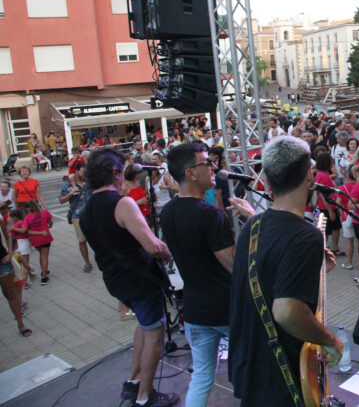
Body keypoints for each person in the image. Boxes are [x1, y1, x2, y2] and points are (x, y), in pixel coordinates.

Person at [228, 136, 342, 406]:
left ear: (267, 180)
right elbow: (286, 311)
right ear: (309, 178)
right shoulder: (305, 236)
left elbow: (266, 283)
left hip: (250, 366)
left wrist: (312, 272)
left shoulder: (252, 228)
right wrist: (331, 340)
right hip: (281, 376)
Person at [77, 149, 177, 407]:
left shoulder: (87, 210)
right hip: (140, 279)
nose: (124, 177)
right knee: (155, 332)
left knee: (144, 326)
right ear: (114, 173)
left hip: (115, 280)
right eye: (122, 171)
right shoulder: (121, 203)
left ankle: (132, 382)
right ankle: (145, 397)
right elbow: (153, 246)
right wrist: (169, 255)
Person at [162, 143, 234, 407]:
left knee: (202, 375)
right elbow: (233, 264)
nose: (213, 167)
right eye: (206, 163)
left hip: (194, 308)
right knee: (250, 369)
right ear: (190, 173)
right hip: (225, 307)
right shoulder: (209, 213)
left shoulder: (168, 212)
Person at [59, 163, 93, 272]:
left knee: (96, 237)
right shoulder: (67, 185)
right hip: (77, 216)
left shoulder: (89, 182)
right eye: (83, 172)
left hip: (92, 214)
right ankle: (87, 262)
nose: (84, 174)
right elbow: (61, 200)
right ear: (77, 171)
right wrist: (71, 193)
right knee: (82, 240)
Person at [0, 218, 31, 337]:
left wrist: (9, 253)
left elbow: (8, 237)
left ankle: (21, 324)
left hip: (2, 261)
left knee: (10, 295)